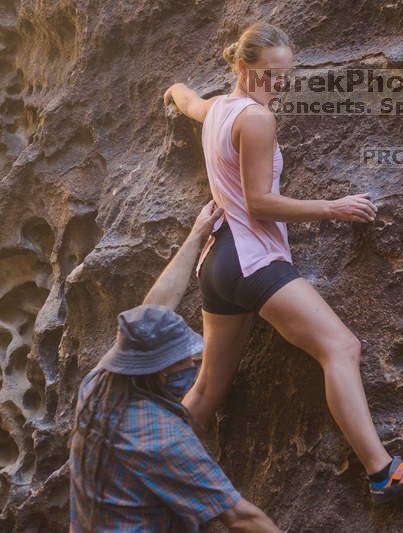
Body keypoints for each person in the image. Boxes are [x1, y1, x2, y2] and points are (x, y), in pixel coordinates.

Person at [163, 22, 403, 504]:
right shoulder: (255, 118)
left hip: (217, 264)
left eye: (284, 77)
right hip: (252, 257)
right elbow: (259, 203)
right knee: (341, 347)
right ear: (242, 67)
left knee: (208, 389)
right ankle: (382, 473)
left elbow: (186, 100)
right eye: (270, 75)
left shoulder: (218, 108)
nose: (278, 85)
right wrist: (333, 208)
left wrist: (170, 90)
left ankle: (146, 468)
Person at [68, 201, 282, 532]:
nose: (190, 363)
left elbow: (152, 312)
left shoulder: (99, 384)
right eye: (178, 363)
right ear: (156, 372)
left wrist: (196, 234)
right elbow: (241, 518)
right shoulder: (161, 436)